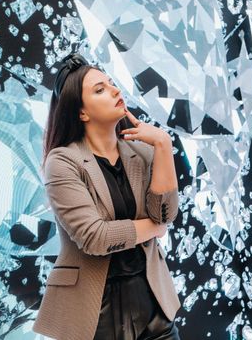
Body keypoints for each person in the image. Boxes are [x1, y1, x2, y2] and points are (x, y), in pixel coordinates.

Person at [33, 53, 181, 340]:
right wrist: (153, 229)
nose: (115, 90)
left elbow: (165, 214)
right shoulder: (62, 162)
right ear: (81, 113)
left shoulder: (142, 150)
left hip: (154, 304)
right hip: (95, 314)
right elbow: (95, 238)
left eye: (112, 84)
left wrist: (164, 146)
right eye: (100, 89)